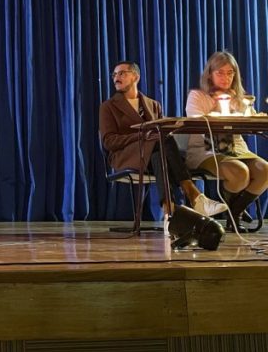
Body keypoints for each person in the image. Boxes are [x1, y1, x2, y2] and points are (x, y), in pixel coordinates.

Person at [99, 60, 227, 220]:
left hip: (155, 156)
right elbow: (109, 142)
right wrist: (143, 136)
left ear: (136, 77)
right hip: (126, 156)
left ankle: (169, 213)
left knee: (159, 152)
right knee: (160, 141)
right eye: (114, 75)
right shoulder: (108, 107)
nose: (116, 78)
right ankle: (194, 196)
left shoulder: (153, 105)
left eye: (122, 73)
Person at [185, 51, 268, 230]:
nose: (226, 78)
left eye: (230, 73)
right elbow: (197, 123)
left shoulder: (239, 99)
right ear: (210, 74)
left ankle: (234, 211)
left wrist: (255, 116)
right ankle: (234, 215)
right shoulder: (197, 96)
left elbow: (251, 121)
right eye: (220, 73)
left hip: (237, 149)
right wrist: (219, 107)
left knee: (265, 171)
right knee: (240, 172)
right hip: (206, 150)